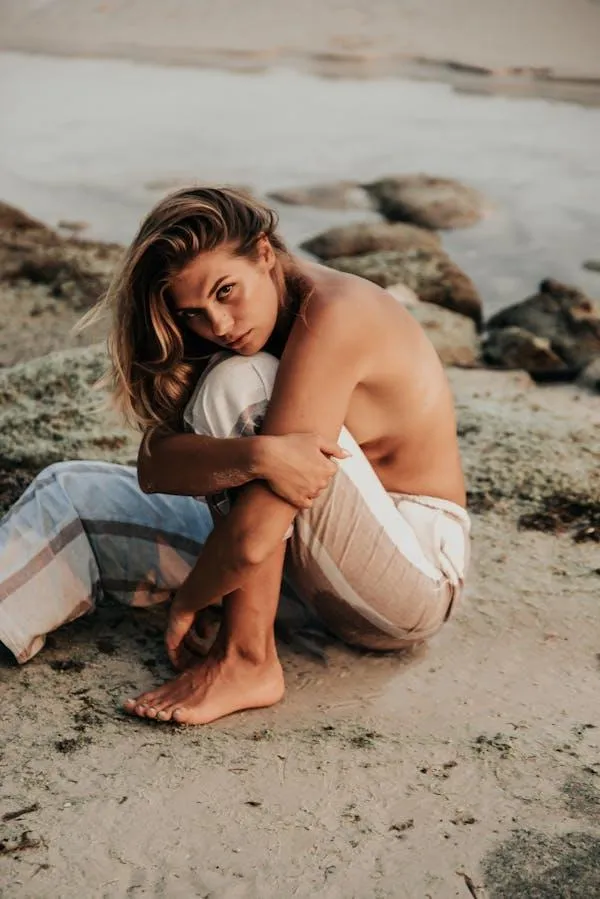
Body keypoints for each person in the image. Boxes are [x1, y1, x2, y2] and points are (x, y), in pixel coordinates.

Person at [0, 187, 470, 725]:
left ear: (265, 252)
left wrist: (190, 600)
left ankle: (248, 660)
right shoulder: (240, 325)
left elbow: (252, 538)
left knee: (239, 384)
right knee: (70, 492)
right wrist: (260, 456)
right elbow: (156, 465)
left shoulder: (339, 315)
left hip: (406, 583)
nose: (218, 325)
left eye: (227, 292)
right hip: (305, 565)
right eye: (194, 313)